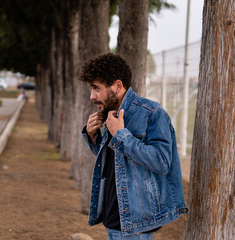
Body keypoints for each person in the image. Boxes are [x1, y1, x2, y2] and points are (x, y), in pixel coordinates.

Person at [79, 53, 188, 240]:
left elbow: (161, 162)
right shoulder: (111, 114)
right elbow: (116, 162)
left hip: (136, 221)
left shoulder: (152, 113)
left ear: (118, 85)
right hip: (115, 216)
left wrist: (121, 135)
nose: (92, 96)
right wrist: (92, 136)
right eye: (91, 89)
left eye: (96, 88)